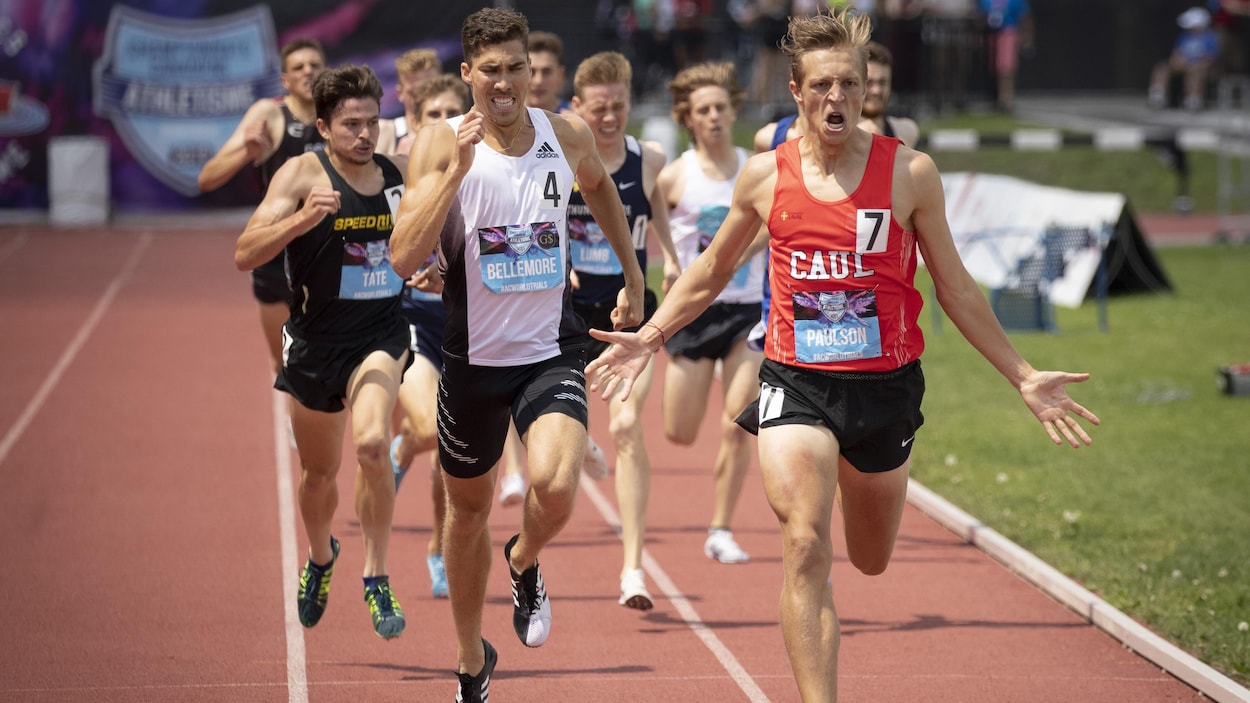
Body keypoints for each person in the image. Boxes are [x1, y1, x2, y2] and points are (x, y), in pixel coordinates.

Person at [586, 8, 1100, 701]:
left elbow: (954, 286)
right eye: (823, 85)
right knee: (804, 542)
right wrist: (651, 335)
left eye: (850, 85)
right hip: (795, 379)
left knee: (871, 556)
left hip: (885, 387)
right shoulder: (766, 177)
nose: (838, 98)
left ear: (867, 92)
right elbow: (709, 270)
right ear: (796, 91)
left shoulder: (910, 174)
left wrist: (1024, 374)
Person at [389, 8, 645, 702]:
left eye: (515, 68)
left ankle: (524, 557)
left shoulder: (564, 133)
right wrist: (455, 174)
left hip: (547, 348)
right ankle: (472, 660)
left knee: (557, 483)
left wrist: (632, 273)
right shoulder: (441, 144)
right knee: (465, 514)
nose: (503, 83)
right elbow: (402, 255)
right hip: (471, 357)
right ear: (467, 72)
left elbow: (601, 190)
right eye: (490, 70)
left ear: (531, 69)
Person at [234, 64, 412, 641]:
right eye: (351, 124)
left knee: (371, 442)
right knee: (318, 476)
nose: (365, 134)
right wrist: (303, 218)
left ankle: (377, 574)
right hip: (313, 344)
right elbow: (245, 252)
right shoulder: (298, 175)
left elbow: (431, 239)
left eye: (372, 121)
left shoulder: (396, 175)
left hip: (380, 336)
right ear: (324, 126)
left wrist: (432, 268)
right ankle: (321, 556)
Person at [568, 50, 681, 609]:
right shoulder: (563, 161)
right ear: (577, 106)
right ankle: (579, 439)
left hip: (629, 313)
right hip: (566, 311)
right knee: (552, 431)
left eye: (619, 106)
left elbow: (654, 203)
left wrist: (675, 257)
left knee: (631, 426)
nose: (610, 117)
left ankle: (633, 569)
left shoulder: (649, 156)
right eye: (599, 108)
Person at [657, 61, 766, 565]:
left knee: (736, 423)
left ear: (733, 111)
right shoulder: (675, 176)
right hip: (696, 314)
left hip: (747, 312)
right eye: (704, 110)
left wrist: (739, 256)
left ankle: (720, 528)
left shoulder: (756, 168)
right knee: (680, 431)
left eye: (722, 107)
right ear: (689, 118)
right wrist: (670, 266)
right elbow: (650, 231)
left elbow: (774, 221)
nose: (715, 116)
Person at [386, 73, 470, 601]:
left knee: (451, 456)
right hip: (412, 321)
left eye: (451, 114)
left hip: (466, 325)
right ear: (413, 122)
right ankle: (402, 447)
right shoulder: (393, 175)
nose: (443, 124)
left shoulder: (481, 168)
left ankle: (438, 551)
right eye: (432, 115)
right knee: (429, 426)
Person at [198, 39, 326, 375]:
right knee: (284, 362)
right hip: (275, 253)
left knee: (330, 358)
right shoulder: (269, 114)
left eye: (314, 65)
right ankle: (295, 419)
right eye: (298, 67)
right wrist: (248, 152)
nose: (308, 71)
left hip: (328, 251)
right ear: (285, 79)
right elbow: (207, 179)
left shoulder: (341, 115)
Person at [1148, 7, 1220, 111]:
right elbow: (1176, 53)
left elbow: (1210, 59)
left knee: (1195, 73)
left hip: (1200, 67)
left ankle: (1193, 101)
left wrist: (1197, 65)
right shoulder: (1184, 36)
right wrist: (1177, 61)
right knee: (1162, 68)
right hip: (1183, 64)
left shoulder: (1210, 38)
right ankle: (1157, 96)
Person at [378, 48, 442, 156]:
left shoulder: (461, 128)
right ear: (400, 93)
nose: (423, 99)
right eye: (415, 93)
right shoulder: (385, 132)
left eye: (430, 91)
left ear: (443, 88)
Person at [859, 41, 919, 147]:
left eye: (882, 82)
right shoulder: (841, 136)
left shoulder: (905, 132)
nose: (876, 91)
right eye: (869, 82)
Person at [978, 0, 1032, 111]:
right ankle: (996, 96)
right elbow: (981, 17)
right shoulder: (986, 1)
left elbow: (1025, 18)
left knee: (1006, 66)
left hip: (1008, 32)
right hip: (991, 33)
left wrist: (1027, 37)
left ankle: (1007, 97)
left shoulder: (1016, 1)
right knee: (995, 67)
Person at [526, 30, 569, 114]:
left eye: (546, 72)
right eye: (531, 71)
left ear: (560, 75)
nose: (538, 81)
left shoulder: (576, 121)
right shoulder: (503, 120)